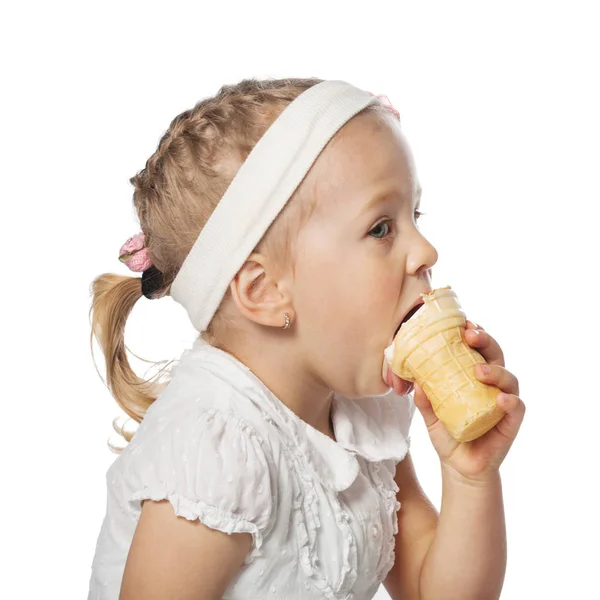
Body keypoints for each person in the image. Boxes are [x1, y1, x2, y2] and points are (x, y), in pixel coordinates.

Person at [87, 77, 525, 600]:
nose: (426, 251)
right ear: (266, 290)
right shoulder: (217, 453)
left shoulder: (361, 414)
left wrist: (469, 476)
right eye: (381, 228)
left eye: (415, 216)